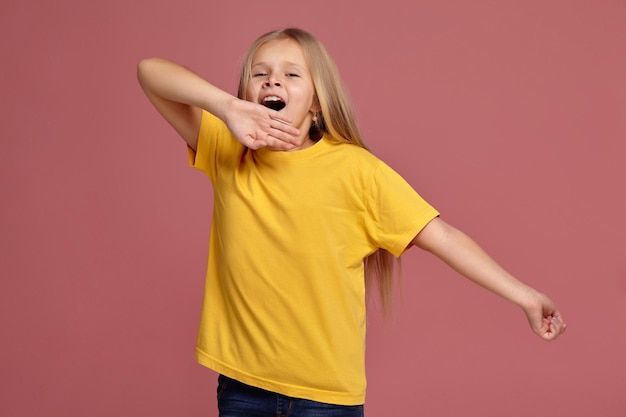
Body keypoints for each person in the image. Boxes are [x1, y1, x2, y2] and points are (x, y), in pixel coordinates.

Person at [137, 27, 566, 417]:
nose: (272, 82)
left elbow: (444, 237)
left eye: (292, 75)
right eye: (260, 74)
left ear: (318, 102)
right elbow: (149, 72)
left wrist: (526, 297)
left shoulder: (356, 171)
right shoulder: (227, 150)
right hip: (242, 388)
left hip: (325, 399)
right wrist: (225, 106)